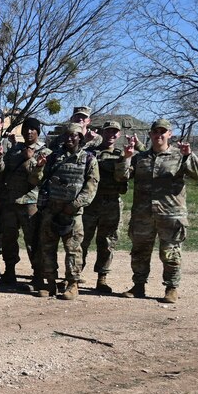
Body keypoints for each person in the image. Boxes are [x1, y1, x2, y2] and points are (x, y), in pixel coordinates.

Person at [120, 118, 198, 302]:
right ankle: (139, 285)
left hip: (171, 214)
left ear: (169, 134)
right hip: (143, 214)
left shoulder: (179, 155)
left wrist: (189, 156)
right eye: (156, 132)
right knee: (140, 251)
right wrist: (126, 158)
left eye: (163, 132)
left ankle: (171, 288)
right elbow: (121, 177)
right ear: (150, 135)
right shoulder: (140, 158)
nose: (159, 135)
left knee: (171, 252)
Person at [33, 123, 99, 299]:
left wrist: (75, 205)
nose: (70, 138)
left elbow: (91, 187)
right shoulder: (54, 157)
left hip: (72, 213)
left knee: (73, 249)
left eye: (74, 135)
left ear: (80, 137)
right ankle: (50, 283)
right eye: (67, 135)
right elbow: (38, 181)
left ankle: (72, 284)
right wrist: (39, 167)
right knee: (47, 248)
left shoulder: (89, 159)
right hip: (51, 210)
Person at [0, 117, 51, 290]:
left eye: (32, 129)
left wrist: (28, 160)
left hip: (30, 203)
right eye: (26, 129)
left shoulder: (45, 152)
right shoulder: (15, 149)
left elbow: (37, 180)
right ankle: (9, 271)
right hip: (11, 201)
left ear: (38, 132)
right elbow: (2, 174)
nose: (28, 132)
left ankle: (38, 275)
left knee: (32, 240)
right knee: (8, 239)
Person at [80, 120, 129, 293]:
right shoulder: (90, 152)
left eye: (115, 132)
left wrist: (128, 156)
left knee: (107, 242)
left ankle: (102, 278)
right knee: (81, 240)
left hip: (111, 203)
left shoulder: (122, 154)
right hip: (90, 203)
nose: (112, 135)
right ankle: (75, 274)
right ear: (103, 133)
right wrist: (85, 141)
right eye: (108, 131)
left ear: (119, 134)